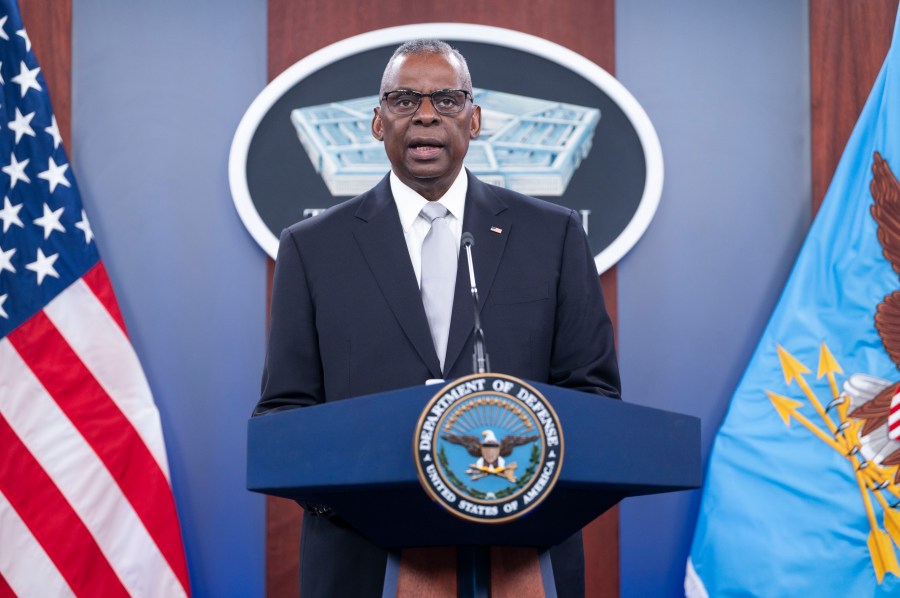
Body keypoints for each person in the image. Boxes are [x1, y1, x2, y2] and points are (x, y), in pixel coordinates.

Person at [254, 39, 621, 598]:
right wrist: (364, 503)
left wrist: (521, 484)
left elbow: (593, 394)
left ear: (474, 120)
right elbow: (283, 414)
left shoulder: (553, 235)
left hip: (518, 554)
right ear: (378, 123)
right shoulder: (312, 249)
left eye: (446, 100)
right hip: (365, 559)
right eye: (404, 99)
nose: (425, 114)